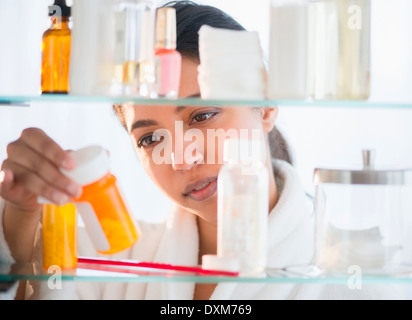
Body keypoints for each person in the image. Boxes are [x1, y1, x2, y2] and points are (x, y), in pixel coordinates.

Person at [0, 1, 404, 300]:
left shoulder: (356, 275)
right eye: (150, 138)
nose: (182, 157)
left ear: (264, 104)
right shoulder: (116, 261)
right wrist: (21, 209)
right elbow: (29, 273)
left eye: (203, 115)